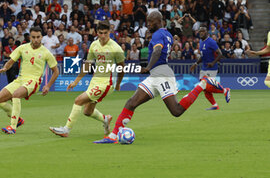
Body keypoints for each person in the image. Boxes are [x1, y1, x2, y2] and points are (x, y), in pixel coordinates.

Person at [93, 12, 230, 144]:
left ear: (157, 21)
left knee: (176, 111)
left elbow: (158, 50)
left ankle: (202, 85)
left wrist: (147, 67)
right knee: (131, 103)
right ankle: (113, 136)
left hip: (162, 74)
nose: (148, 25)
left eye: (150, 22)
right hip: (156, 74)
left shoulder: (158, 34)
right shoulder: (166, 33)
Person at [49, 21, 125, 137]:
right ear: (97, 33)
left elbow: (121, 68)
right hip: (94, 81)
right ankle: (105, 119)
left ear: (110, 32)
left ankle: (66, 129)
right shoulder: (94, 45)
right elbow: (87, 64)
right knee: (87, 111)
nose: (103, 36)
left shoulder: (116, 48)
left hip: (106, 83)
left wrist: (118, 84)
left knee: (78, 100)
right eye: (101, 33)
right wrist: (76, 81)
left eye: (106, 33)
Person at [0, 27, 59, 134]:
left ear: (41, 37)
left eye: (38, 37)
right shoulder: (22, 48)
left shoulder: (46, 52)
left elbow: (56, 71)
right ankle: (18, 119)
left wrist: (47, 85)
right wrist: (5, 68)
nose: (36, 40)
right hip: (20, 80)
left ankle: (12, 126)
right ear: (30, 37)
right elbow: (11, 61)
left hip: (33, 82)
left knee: (16, 95)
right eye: (33, 37)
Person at [190, 26, 230, 110]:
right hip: (204, 67)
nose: (201, 33)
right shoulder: (201, 41)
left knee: (206, 85)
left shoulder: (211, 42)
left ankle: (225, 90)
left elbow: (219, 54)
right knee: (205, 89)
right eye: (200, 31)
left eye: (203, 31)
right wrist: (196, 63)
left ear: (207, 33)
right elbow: (202, 56)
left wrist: (213, 63)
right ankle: (215, 105)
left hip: (211, 68)